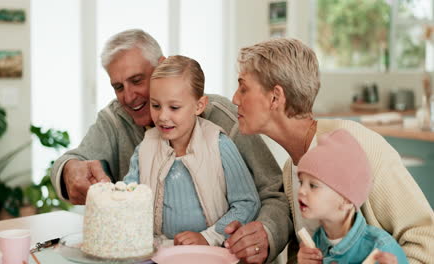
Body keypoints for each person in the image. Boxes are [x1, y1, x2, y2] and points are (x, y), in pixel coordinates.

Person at [50, 29, 293, 263]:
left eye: (137, 80)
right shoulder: (115, 121)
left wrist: (267, 232)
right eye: (118, 87)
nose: (129, 96)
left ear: (161, 66)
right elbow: (73, 161)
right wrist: (69, 170)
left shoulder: (220, 122)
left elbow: (274, 192)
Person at [229, 37, 434, 263]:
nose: (235, 98)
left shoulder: (358, 146)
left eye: (243, 88)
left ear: (275, 97)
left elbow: (426, 240)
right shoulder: (291, 171)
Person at [122, 55, 260, 246]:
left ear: (199, 106)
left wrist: (208, 237)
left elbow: (247, 203)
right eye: (155, 105)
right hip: (158, 252)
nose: (162, 116)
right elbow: (127, 197)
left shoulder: (219, 144)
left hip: (210, 252)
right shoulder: (145, 148)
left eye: (174, 107)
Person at [297, 129, 407, 264]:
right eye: (301, 182)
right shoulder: (316, 242)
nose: (301, 190)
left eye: (313, 185)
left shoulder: (382, 248)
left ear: (347, 200)